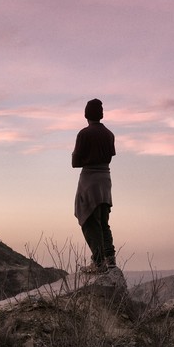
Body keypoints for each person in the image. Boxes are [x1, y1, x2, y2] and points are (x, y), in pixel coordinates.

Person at [72, 98, 116, 274]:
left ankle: (98, 263)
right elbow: (109, 157)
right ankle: (110, 259)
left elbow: (75, 162)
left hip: (89, 180)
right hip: (105, 180)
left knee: (90, 221)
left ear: (86, 114)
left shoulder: (84, 134)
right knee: (104, 221)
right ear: (101, 114)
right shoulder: (109, 134)